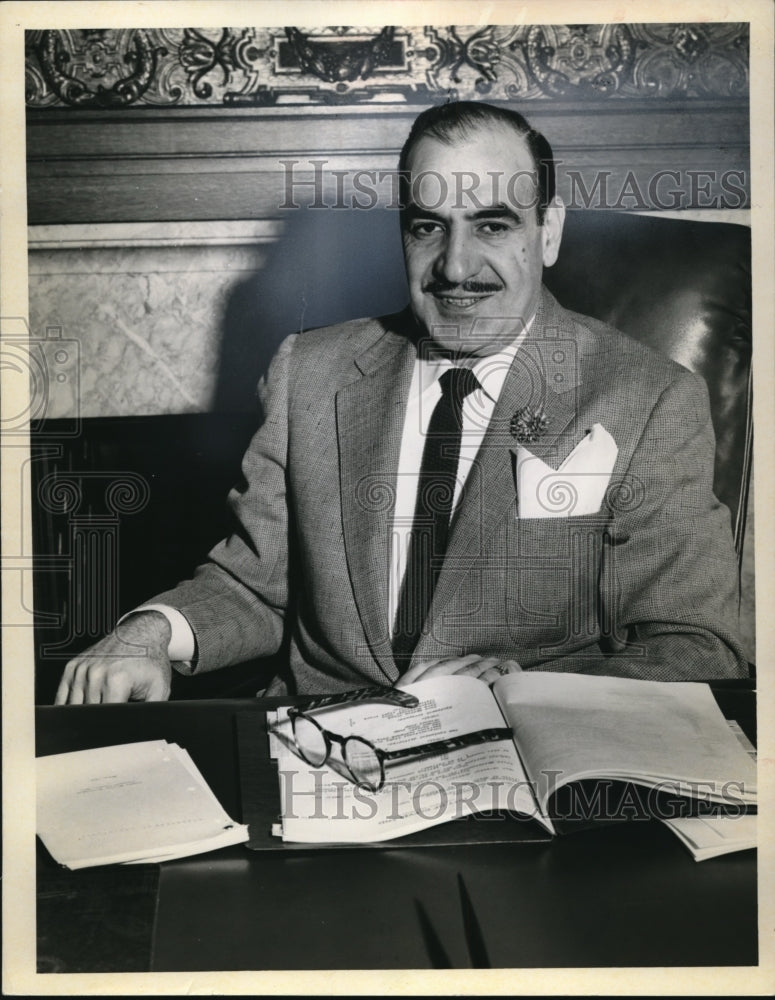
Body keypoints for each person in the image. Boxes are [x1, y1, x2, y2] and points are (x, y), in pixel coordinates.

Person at [55, 101, 747, 705]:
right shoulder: (311, 374)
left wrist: (531, 691)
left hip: (519, 770)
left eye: (493, 225)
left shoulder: (646, 397)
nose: (453, 266)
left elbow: (697, 644)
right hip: (318, 748)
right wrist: (146, 633)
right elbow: (255, 584)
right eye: (426, 227)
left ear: (549, 232)